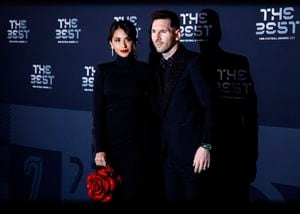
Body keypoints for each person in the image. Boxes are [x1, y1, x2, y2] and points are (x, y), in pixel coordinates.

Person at [149, 10, 215, 201]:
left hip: (193, 159)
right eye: (153, 31)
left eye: (163, 32)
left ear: (177, 34)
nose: (157, 37)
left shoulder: (193, 62)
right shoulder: (155, 65)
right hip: (165, 158)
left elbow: (211, 106)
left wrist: (206, 145)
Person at [197, 9, 259, 204]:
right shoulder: (190, 64)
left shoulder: (236, 63)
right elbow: (251, 115)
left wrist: (252, 155)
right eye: (201, 30)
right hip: (206, 154)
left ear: (218, 34)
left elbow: (250, 113)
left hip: (232, 153)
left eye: (206, 30)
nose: (203, 35)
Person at [92, 19, 155, 201]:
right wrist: (100, 149)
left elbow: (153, 111)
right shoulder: (103, 71)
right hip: (108, 149)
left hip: (136, 148)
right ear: (110, 43)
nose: (123, 44)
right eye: (117, 40)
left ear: (134, 41)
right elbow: (98, 113)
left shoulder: (145, 71)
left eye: (127, 39)